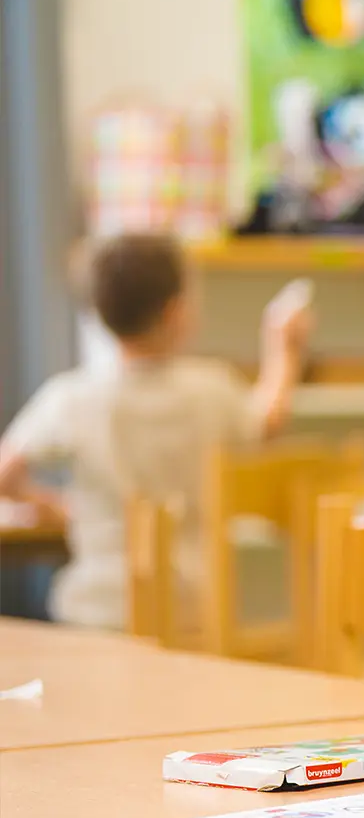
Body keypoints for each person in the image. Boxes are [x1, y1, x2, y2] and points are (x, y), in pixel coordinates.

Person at [0, 233, 312, 630]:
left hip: (97, 611)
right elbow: (268, 422)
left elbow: (5, 472)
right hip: (188, 611)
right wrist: (284, 349)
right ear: (177, 311)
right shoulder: (211, 388)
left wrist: (53, 505)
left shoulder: (72, 397)